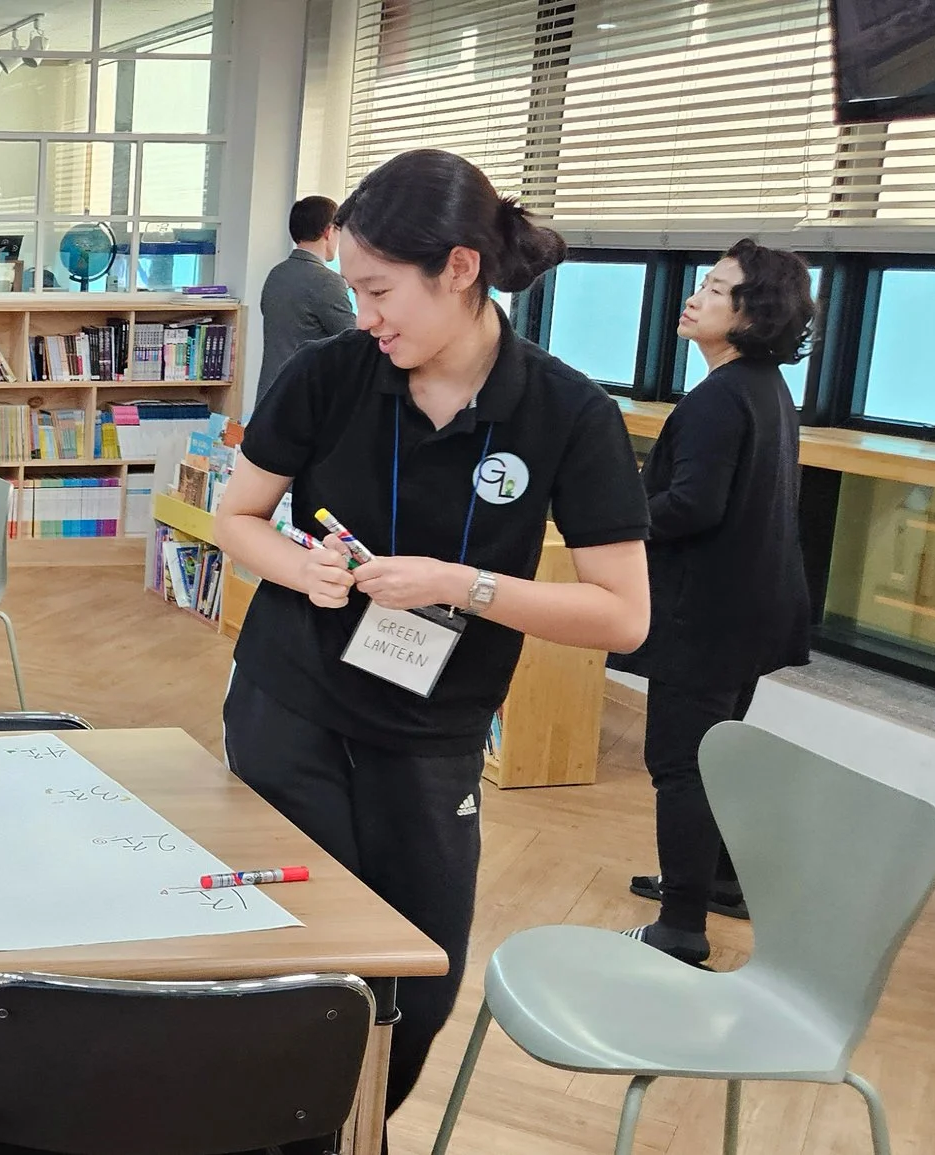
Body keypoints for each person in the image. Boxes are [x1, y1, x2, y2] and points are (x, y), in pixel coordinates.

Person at [211, 149, 652, 1140]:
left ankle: (330, 1128)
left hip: (432, 728)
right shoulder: (334, 376)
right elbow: (239, 516)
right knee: (293, 957)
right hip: (293, 701)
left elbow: (622, 616)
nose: (363, 316)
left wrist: (464, 586)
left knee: (422, 973)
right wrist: (300, 569)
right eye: (352, 291)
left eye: (376, 290)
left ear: (458, 269)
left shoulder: (567, 412)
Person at [618, 239, 815, 966]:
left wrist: (620, 519)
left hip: (708, 616)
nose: (694, 297)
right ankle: (718, 881)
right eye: (700, 283)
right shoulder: (763, 386)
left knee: (680, 765)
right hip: (757, 610)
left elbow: (693, 506)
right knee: (718, 755)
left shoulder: (718, 398)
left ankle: (681, 924)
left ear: (751, 313)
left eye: (715, 288)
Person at [257, 194, 358, 391]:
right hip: (302, 396)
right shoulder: (326, 281)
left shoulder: (276, 274)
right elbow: (353, 340)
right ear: (329, 231)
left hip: (270, 394)